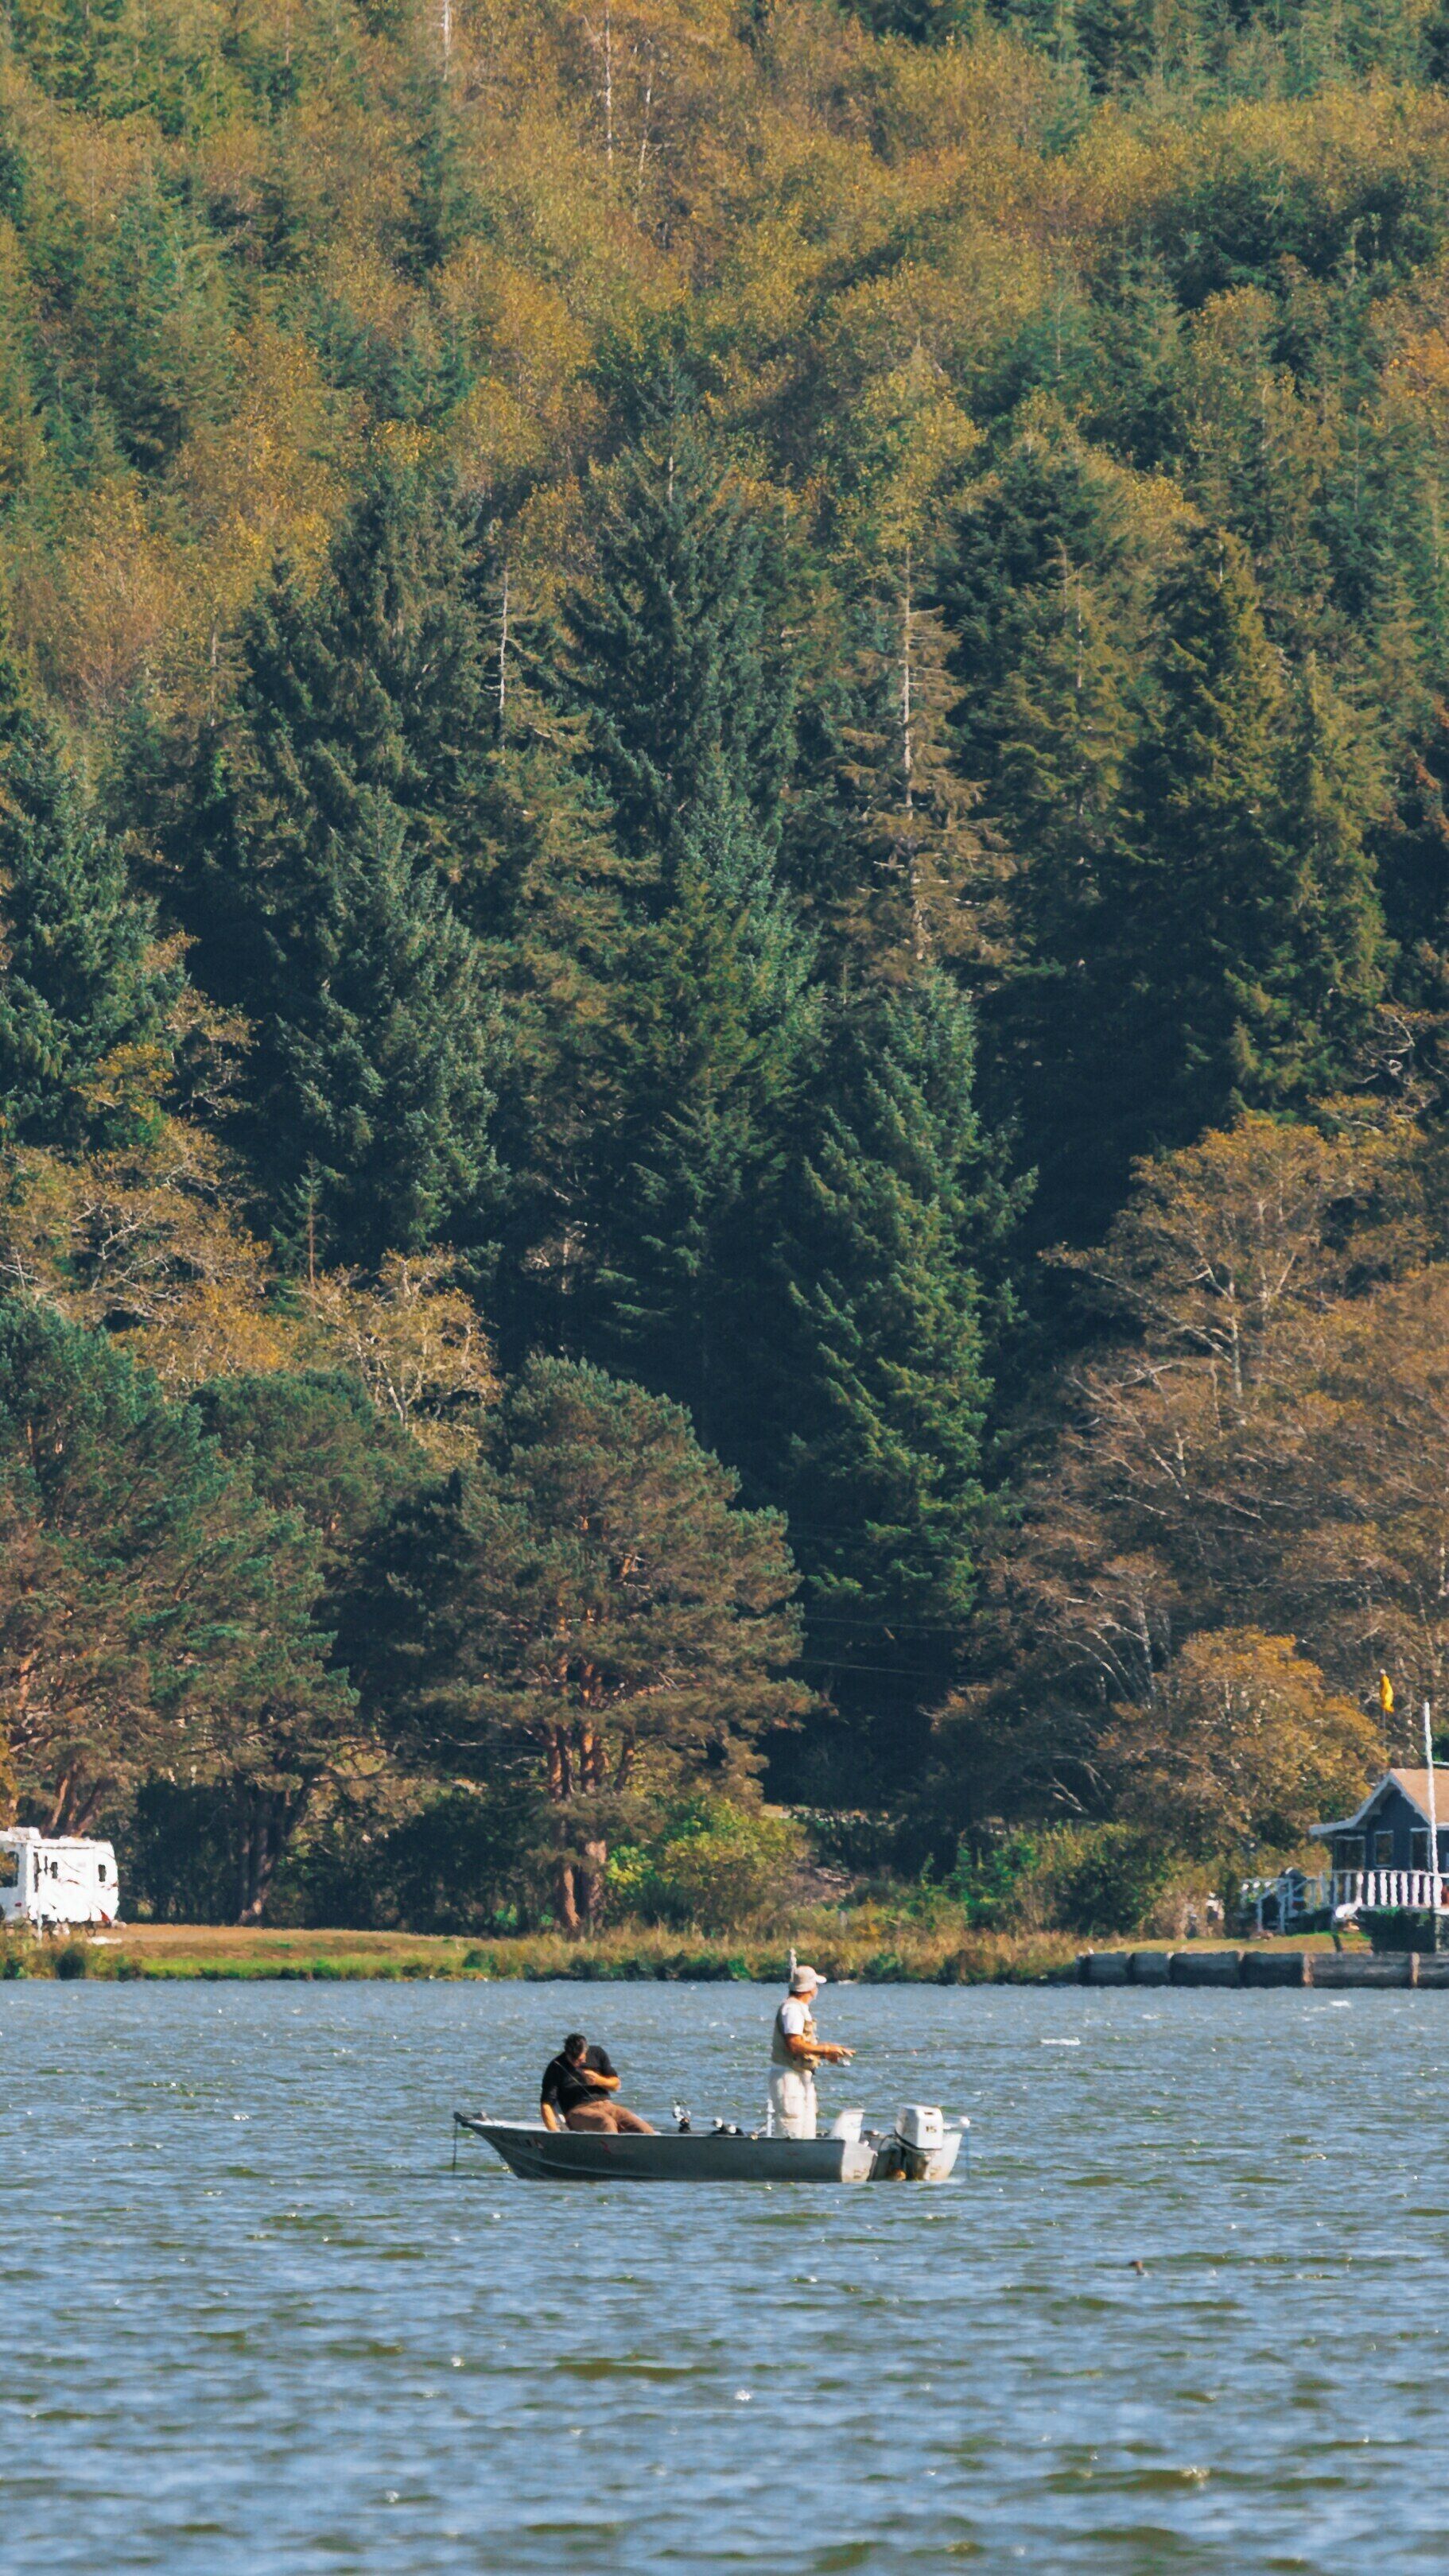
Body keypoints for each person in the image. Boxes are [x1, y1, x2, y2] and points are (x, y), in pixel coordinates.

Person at [768, 1963, 853, 2139]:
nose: (817, 1989)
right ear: (810, 1988)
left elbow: (802, 2047)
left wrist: (826, 2054)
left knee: (807, 2133)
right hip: (788, 2077)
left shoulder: (800, 2008)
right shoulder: (792, 2009)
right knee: (791, 2132)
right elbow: (794, 2045)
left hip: (801, 2076)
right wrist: (826, 2048)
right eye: (816, 1985)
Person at [539, 2031, 655, 2135]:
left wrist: (599, 2080)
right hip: (578, 2111)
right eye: (573, 2060)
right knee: (606, 2123)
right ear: (567, 2053)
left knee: (645, 2129)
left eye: (580, 2060)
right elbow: (546, 2104)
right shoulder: (555, 2067)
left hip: (607, 2105)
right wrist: (554, 2133)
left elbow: (616, 2085)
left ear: (586, 2051)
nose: (576, 2063)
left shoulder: (597, 2054)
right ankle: (612, 2150)